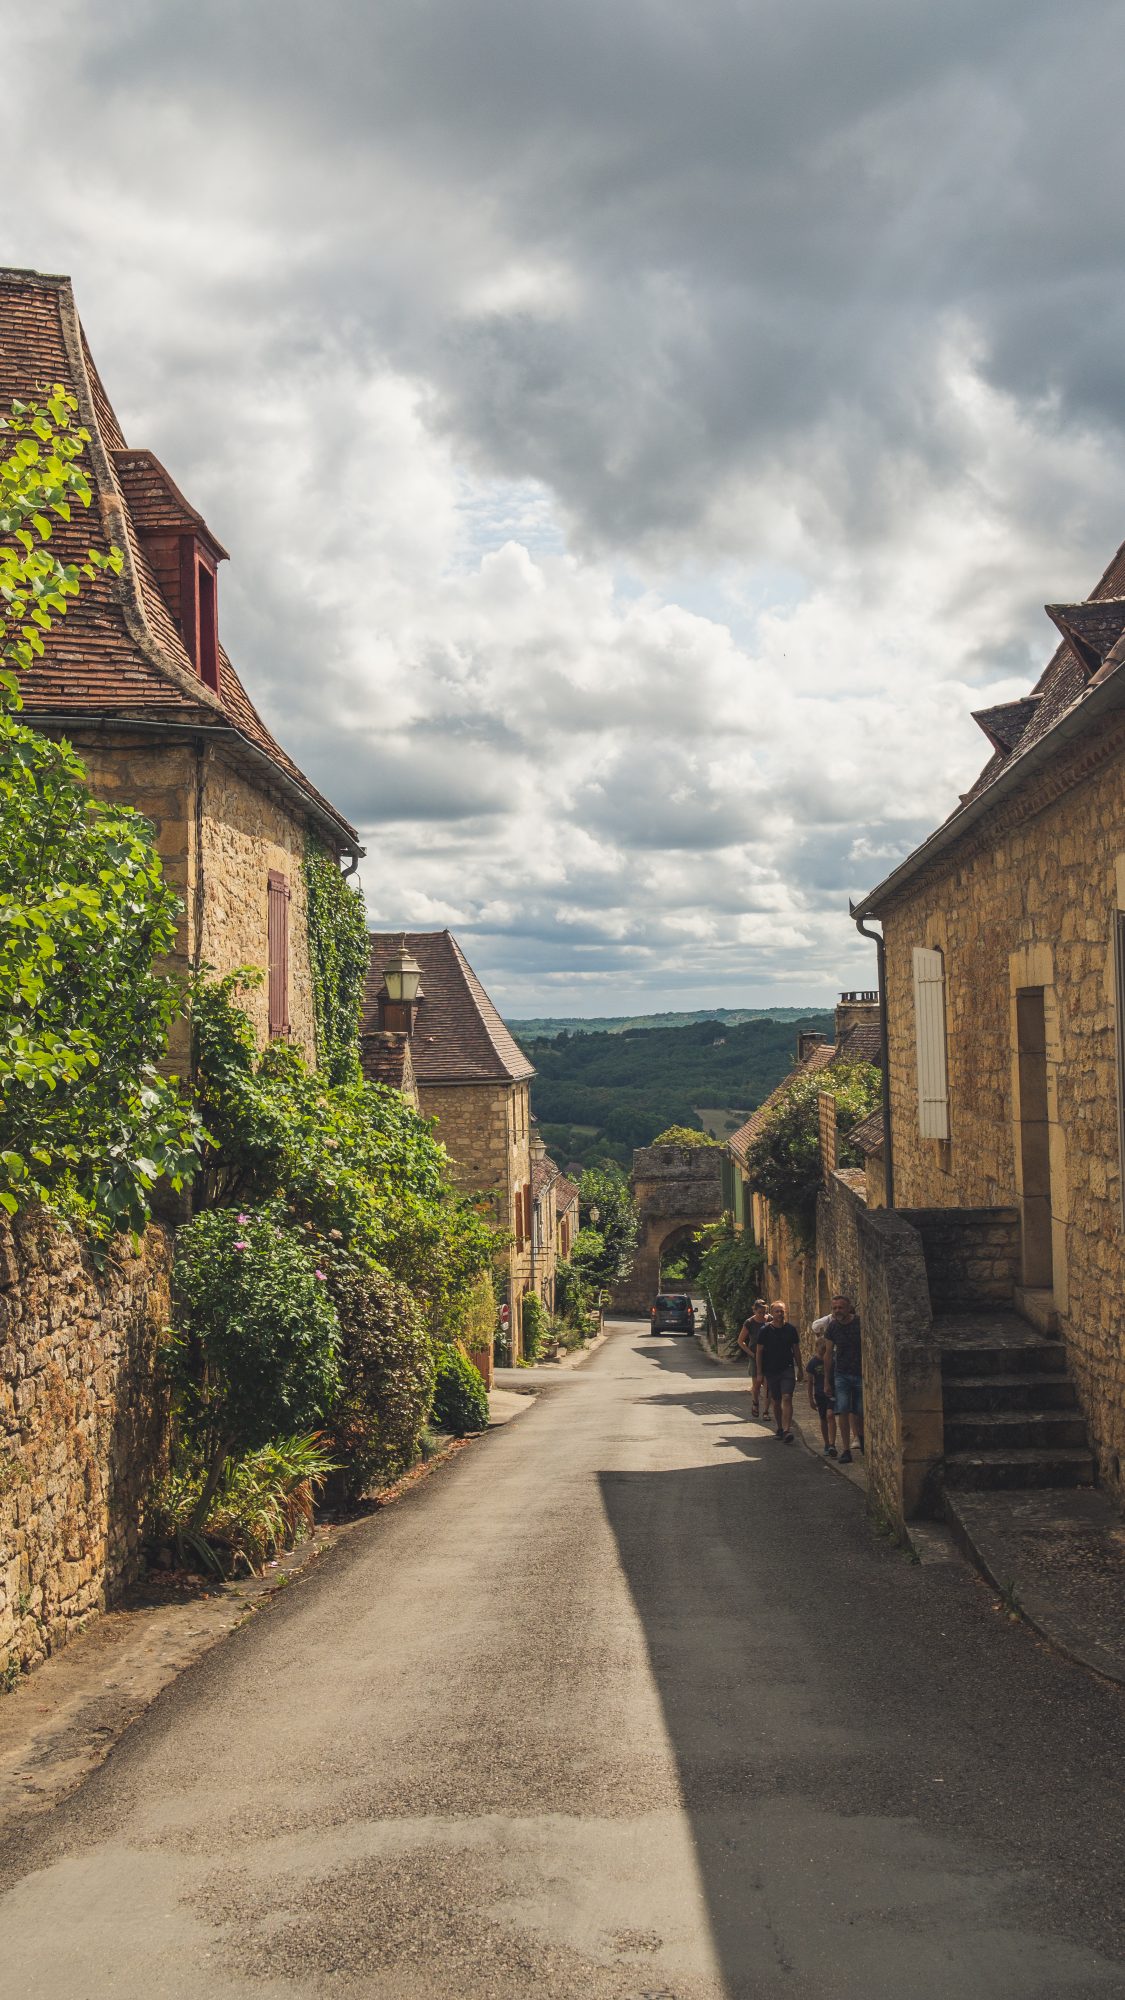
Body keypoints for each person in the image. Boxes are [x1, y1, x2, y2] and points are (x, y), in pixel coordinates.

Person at [821, 1295, 864, 1464]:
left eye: (840, 1307)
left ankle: (861, 1437)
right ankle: (846, 1449)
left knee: (860, 1411)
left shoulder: (859, 1323)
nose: (837, 1311)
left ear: (848, 1308)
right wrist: (827, 1380)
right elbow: (828, 1354)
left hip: (860, 1373)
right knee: (843, 1410)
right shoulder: (832, 1327)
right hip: (842, 1374)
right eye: (834, 1308)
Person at [756, 1301, 803, 1444]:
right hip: (771, 1370)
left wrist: (800, 1369)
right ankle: (780, 1427)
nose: (779, 1314)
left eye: (782, 1311)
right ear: (772, 1313)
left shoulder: (790, 1330)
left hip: (787, 1368)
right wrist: (759, 1373)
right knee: (776, 1401)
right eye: (777, 1311)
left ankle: (787, 1430)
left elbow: (796, 1350)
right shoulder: (765, 1331)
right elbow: (759, 1352)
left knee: (787, 1397)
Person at [736, 1299, 770, 1418]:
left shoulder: (769, 1320)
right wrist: (751, 1354)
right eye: (760, 1312)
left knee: (768, 1384)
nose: (762, 1315)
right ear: (754, 1310)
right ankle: (755, 1402)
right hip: (754, 1356)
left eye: (764, 1312)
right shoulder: (749, 1322)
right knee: (757, 1383)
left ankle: (766, 1411)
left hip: (768, 1356)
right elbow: (740, 1341)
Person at [806, 1331, 837, 1457]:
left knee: (830, 1415)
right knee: (823, 1418)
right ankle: (826, 1443)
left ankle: (832, 1444)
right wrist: (810, 1399)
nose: (824, 1351)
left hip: (831, 1393)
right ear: (817, 1348)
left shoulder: (833, 1360)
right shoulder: (813, 1363)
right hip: (819, 1394)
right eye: (822, 1349)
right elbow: (809, 1382)